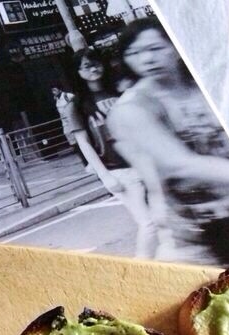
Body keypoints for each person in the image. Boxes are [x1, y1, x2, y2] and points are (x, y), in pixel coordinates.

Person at [108, 17, 229, 264]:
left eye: (155, 48)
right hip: (196, 240)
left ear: (176, 46)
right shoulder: (133, 108)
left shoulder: (211, 85)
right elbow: (181, 165)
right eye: (134, 53)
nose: (147, 59)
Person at [67, 47, 164, 247]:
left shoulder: (119, 92)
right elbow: (84, 142)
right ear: (78, 72)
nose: (93, 69)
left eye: (96, 63)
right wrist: (105, 176)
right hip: (117, 171)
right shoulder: (77, 105)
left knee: (164, 219)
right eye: (87, 66)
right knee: (148, 224)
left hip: (143, 162)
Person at [50, 85, 88, 168]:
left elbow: (78, 105)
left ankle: (87, 160)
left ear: (60, 89)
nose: (54, 92)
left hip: (73, 121)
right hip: (65, 124)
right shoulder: (56, 100)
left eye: (55, 90)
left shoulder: (68, 96)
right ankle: (85, 161)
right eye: (52, 91)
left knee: (81, 141)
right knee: (74, 143)